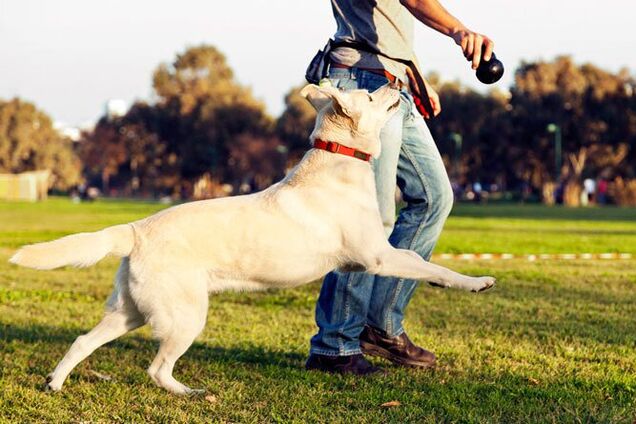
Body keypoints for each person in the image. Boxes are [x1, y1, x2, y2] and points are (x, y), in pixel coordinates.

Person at [305, 0, 495, 375]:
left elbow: (389, 23)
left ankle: (379, 325)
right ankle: (335, 345)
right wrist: (459, 31)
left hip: (392, 86)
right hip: (361, 85)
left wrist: (413, 76)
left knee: (434, 198)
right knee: (370, 223)